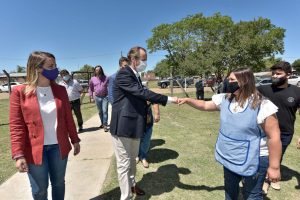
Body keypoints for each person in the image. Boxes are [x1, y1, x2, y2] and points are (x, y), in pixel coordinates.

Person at [178, 67, 282, 200]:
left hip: (255, 158)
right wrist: (188, 100)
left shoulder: (263, 105)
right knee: (230, 191)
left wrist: (274, 167)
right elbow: (204, 105)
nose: (228, 81)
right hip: (230, 155)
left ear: (244, 81)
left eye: (232, 79)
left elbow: (274, 137)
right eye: (228, 79)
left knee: (252, 195)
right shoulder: (225, 99)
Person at [10, 51, 81, 200]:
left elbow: (68, 118)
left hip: (59, 147)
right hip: (34, 149)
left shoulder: (60, 90)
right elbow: (16, 126)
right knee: (40, 190)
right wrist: (18, 154)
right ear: (37, 68)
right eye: (51, 66)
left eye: (55, 65)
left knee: (59, 184)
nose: (55, 69)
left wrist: (75, 139)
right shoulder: (19, 92)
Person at [110, 46, 177, 200]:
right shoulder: (123, 74)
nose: (146, 62)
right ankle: (125, 196)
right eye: (144, 59)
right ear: (134, 59)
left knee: (133, 160)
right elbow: (141, 93)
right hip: (123, 126)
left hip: (134, 124)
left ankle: (133, 186)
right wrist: (168, 99)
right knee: (123, 164)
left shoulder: (135, 75)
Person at [257, 61, 300, 191]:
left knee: (277, 156)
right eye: (273, 73)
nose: (275, 76)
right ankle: (265, 180)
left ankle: (272, 178)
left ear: (288, 74)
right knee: (264, 156)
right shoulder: (263, 89)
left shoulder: (297, 92)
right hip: (265, 131)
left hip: (286, 132)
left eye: (278, 73)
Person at [137, 102, 160, 168]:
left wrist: (157, 114)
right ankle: (136, 156)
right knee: (136, 139)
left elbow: (155, 100)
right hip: (136, 120)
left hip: (147, 120)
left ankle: (143, 157)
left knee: (146, 140)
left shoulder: (147, 92)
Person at [89, 65, 109, 132]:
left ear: (101, 70)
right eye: (97, 70)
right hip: (97, 97)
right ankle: (102, 123)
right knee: (100, 112)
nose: (98, 71)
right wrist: (91, 97)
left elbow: (109, 86)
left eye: (99, 69)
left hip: (105, 97)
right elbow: (90, 88)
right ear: (95, 71)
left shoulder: (106, 78)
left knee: (105, 111)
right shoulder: (92, 79)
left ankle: (105, 125)